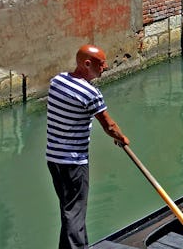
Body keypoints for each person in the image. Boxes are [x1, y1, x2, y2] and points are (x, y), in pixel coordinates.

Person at [46, 45, 129, 249]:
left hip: (53, 158)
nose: (106, 67)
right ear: (87, 64)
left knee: (68, 209)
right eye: (101, 64)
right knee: (75, 212)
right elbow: (109, 125)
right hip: (74, 161)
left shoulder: (57, 81)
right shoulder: (91, 93)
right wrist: (122, 138)